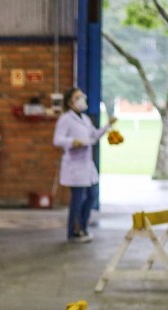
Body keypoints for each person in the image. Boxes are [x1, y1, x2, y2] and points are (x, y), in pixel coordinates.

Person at [53, 87, 116, 242]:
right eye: (78, 97)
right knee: (77, 199)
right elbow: (57, 140)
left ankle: (83, 227)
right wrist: (72, 142)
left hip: (87, 165)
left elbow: (94, 135)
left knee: (92, 196)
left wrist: (108, 125)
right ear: (70, 102)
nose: (82, 100)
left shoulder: (85, 119)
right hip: (74, 165)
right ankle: (74, 232)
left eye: (82, 96)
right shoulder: (65, 119)